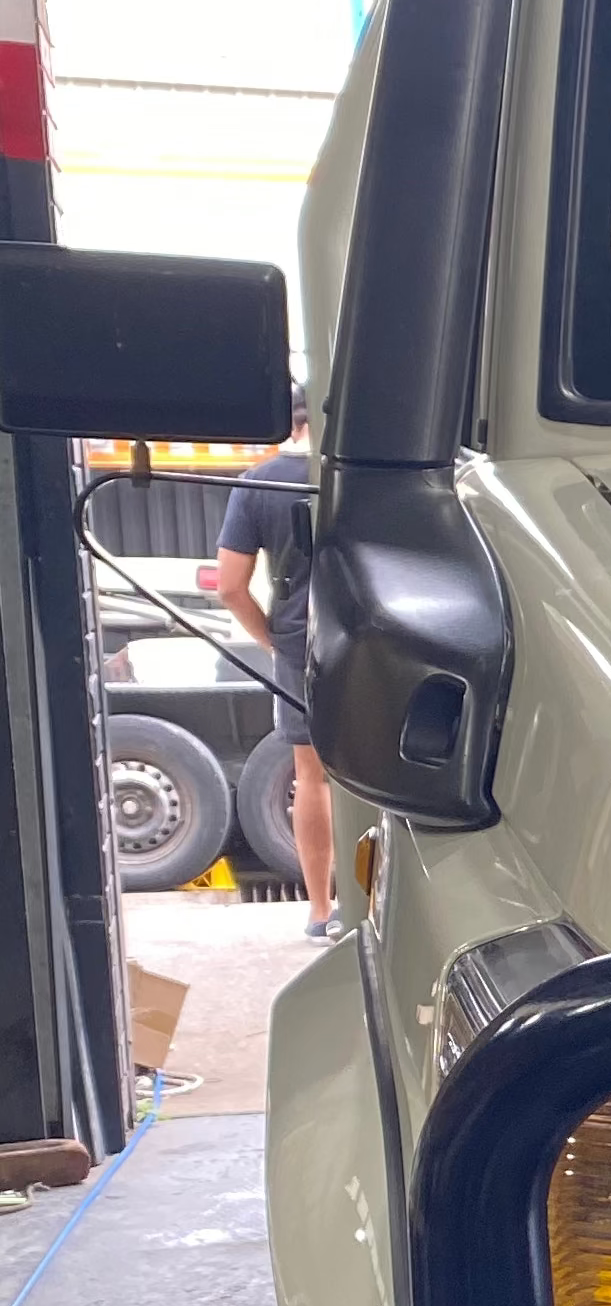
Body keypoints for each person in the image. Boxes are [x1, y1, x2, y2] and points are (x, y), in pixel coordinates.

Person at [216, 396, 334, 937]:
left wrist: (271, 641)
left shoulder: (258, 482)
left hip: (299, 641)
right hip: (377, 638)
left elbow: (230, 587)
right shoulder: (357, 475)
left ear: (286, 423)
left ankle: (319, 910)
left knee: (311, 777)